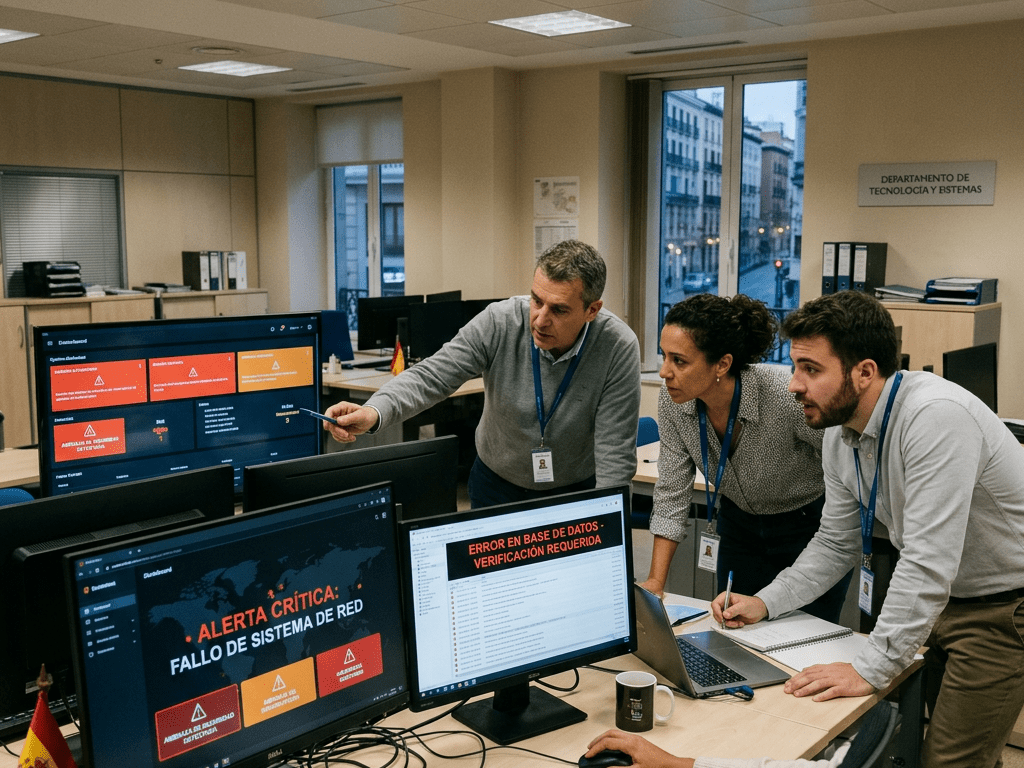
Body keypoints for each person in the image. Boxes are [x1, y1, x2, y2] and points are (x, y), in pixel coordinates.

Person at [714, 290, 1024, 768]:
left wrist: (871, 668)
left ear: (864, 371)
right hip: (947, 598)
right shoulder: (841, 435)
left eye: (811, 370)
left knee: (951, 761)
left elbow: (926, 560)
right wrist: (766, 600)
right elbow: (835, 542)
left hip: (1002, 607)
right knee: (941, 748)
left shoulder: (934, 417)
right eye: (794, 366)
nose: (794, 385)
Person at [322, 239, 641, 508]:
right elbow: (432, 375)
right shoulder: (500, 321)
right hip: (496, 485)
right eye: (536, 300)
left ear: (592, 310)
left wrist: (610, 528)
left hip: (575, 490)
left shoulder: (617, 346)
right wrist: (374, 411)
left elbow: (615, 455)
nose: (541, 320)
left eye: (558, 310)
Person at [640, 294, 849, 623]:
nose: (665, 372)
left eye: (679, 361)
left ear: (722, 364)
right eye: (664, 356)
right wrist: (655, 583)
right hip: (739, 529)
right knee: (735, 629)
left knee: (802, 643)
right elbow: (671, 492)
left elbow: (845, 458)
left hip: (807, 532)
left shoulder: (784, 396)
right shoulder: (674, 403)